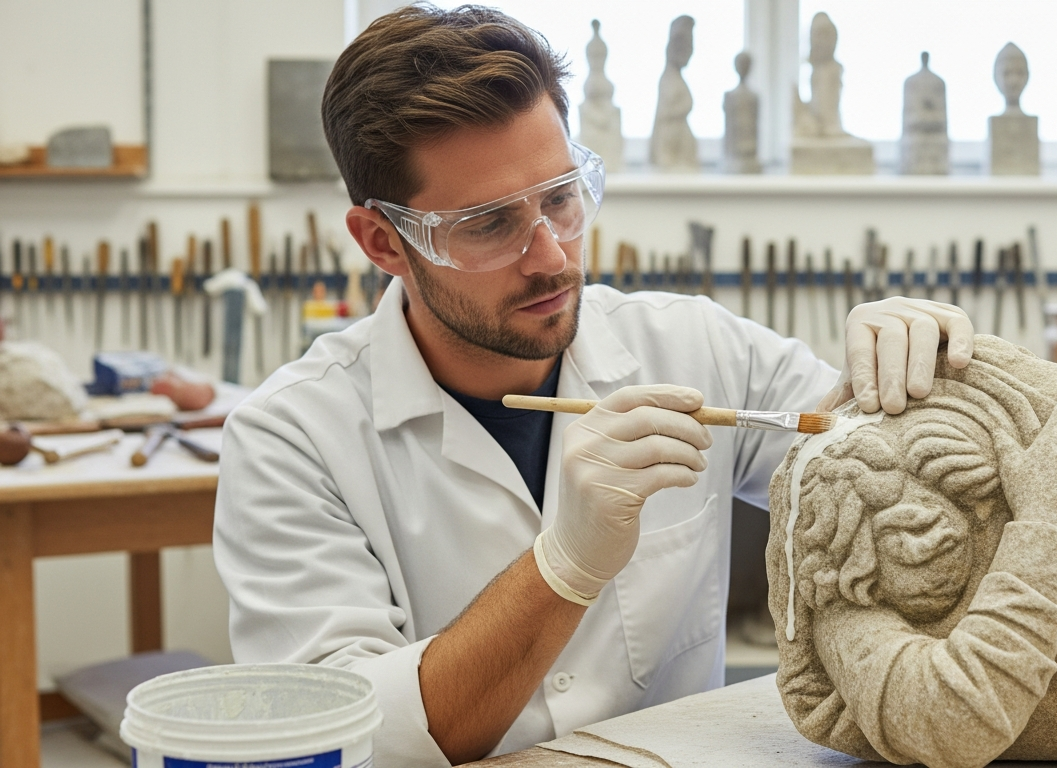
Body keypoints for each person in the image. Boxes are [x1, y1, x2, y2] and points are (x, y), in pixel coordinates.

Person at [212, 5, 974, 766]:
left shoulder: (694, 345)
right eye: (487, 225)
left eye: (561, 198)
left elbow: (884, 468)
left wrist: (925, 377)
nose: (550, 256)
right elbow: (352, 740)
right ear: (385, 241)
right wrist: (564, 567)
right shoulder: (291, 438)